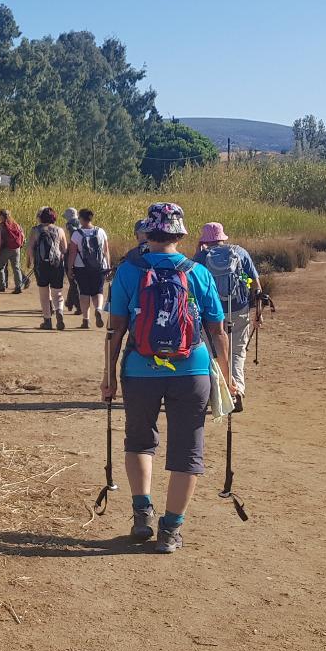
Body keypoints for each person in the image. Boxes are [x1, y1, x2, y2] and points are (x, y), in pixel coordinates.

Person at [100, 202, 233, 554]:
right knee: (187, 451)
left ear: (149, 231)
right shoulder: (198, 272)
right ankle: (170, 531)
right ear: (179, 233)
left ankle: (142, 512)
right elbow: (217, 330)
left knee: (140, 440)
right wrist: (229, 377)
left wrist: (108, 376)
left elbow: (115, 330)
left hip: (139, 369)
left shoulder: (129, 271)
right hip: (192, 370)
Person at [194, 222, 263, 410]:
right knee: (237, 353)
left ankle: (217, 394)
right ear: (223, 238)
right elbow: (257, 286)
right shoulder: (240, 253)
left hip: (211, 314)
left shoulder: (201, 257)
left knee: (213, 353)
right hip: (239, 309)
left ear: (205, 241)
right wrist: (258, 313)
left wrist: (198, 250)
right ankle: (237, 390)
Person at [67, 208, 110, 328]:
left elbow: (72, 253)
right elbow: (106, 251)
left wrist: (70, 268)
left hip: (81, 267)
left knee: (84, 292)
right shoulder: (101, 231)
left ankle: (86, 320)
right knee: (98, 291)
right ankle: (99, 309)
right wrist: (108, 266)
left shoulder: (77, 234)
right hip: (100, 266)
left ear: (80, 218)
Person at [27, 206, 68, 330]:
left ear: (41, 217)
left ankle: (47, 321)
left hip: (42, 266)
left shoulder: (35, 230)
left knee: (44, 294)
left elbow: (30, 249)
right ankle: (59, 311)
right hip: (56, 265)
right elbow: (65, 249)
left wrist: (31, 261)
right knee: (57, 292)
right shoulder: (60, 230)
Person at [0, 208, 26, 294]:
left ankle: (1, 286)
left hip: (5, 249)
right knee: (16, 267)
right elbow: (22, 236)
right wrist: (20, 246)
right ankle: (18, 286)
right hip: (16, 249)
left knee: (0, 267)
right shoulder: (16, 224)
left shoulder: (0, 226)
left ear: (1, 216)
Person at [62, 207, 82, 314]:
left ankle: (78, 306)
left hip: (72, 253)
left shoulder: (69, 225)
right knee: (74, 281)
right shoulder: (81, 223)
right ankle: (69, 302)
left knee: (73, 281)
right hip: (82, 255)